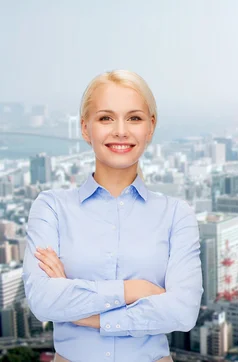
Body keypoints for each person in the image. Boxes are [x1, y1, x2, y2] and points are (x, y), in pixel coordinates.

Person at [22, 70, 203, 362]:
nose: (121, 130)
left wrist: (88, 317)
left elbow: (182, 313)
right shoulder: (52, 207)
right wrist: (135, 290)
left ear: (150, 127)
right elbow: (43, 302)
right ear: (85, 128)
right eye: (106, 118)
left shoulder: (175, 215)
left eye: (134, 118)